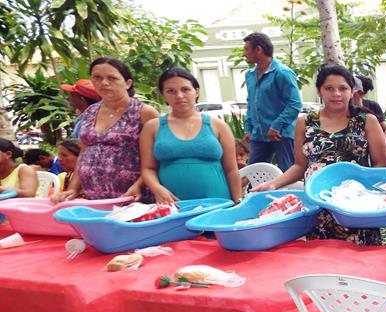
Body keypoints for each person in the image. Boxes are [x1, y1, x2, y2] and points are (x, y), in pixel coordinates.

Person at [252, 65, 386, 245]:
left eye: (343, 88)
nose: (336, 94)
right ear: (319, 91)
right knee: (322, 261)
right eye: (329, 88)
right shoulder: (305, 122)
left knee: (360, 262)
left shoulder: (366, 120)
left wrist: (361, 191)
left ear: (352, 91)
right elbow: (299, 166)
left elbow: (381, 164)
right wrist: (272, 184)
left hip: (355, 208)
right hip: (318, 206)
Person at [53, 57, 159, 203]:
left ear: (128, 83)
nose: (104, 83)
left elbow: (156, 157)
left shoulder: (144, 113)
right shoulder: (90, 111)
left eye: (112, 78)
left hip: (133, 196)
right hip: (94, 197)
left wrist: (139, 185)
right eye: (97, 77)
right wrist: (73, 189)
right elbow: (84, 152)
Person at [140, 67, 242, 204]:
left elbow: (231, 169)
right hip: (171, 204)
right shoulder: (153, 127)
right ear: (163, 95)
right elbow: (148, 168)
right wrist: (157, 188)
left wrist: (238, 202)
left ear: (196, 91)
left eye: (185, 89)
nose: (179, 96)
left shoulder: (218, 126)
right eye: (171, 91)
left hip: (217, 202)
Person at [242, 32, 302, 172]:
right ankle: (254, 195)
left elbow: (295, 103)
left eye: (246, 49)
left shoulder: (282, 73)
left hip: (281, 134)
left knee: (287, 172)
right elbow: (251, 102)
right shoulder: (250, 75)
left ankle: (291, 195)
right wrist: (248, 128)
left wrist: (276, 126)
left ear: (258, 49)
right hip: (258, 134)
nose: (244, 54)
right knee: (253, 173)